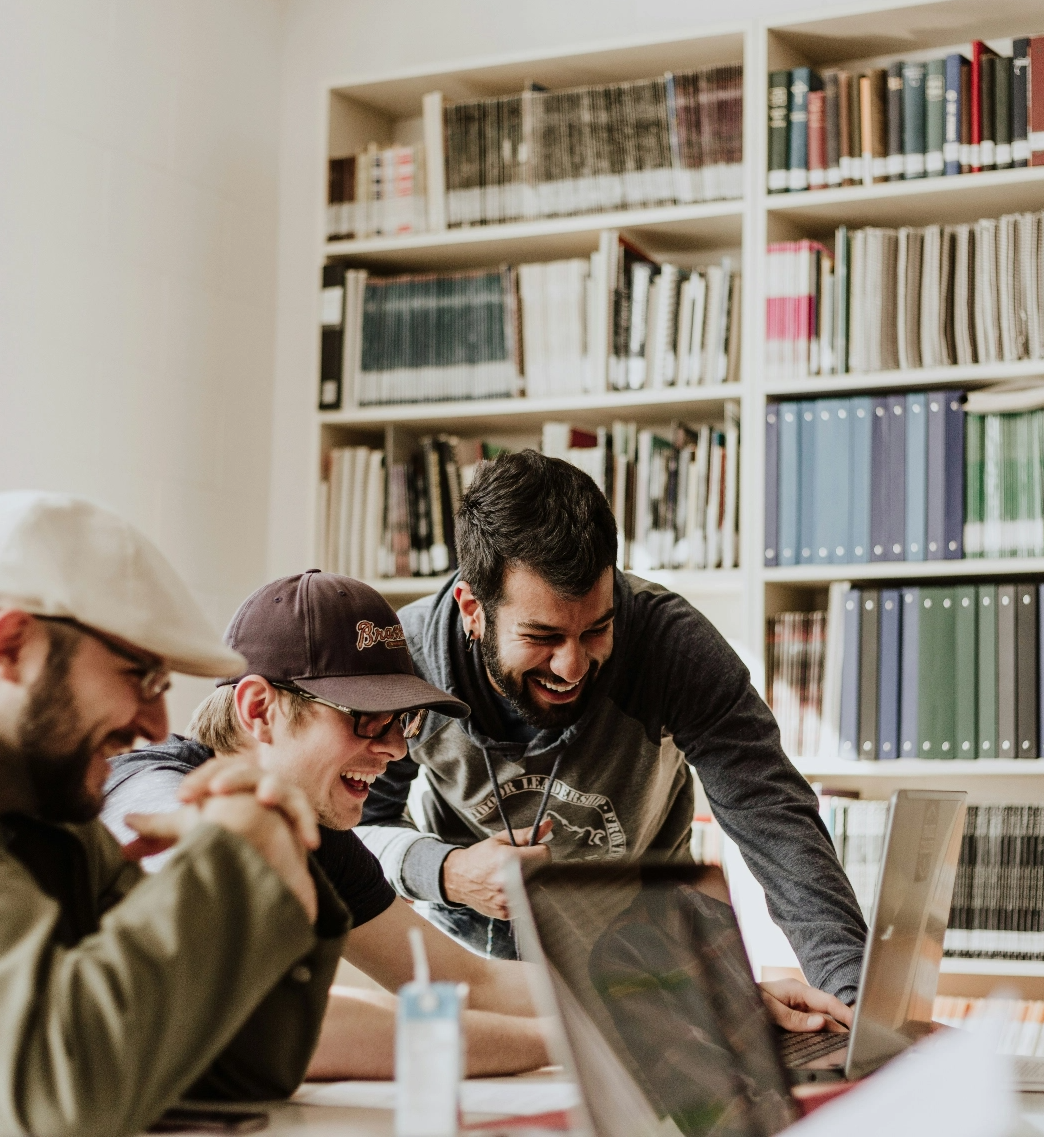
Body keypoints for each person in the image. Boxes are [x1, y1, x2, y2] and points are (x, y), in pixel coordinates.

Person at [358, 449, 869, 1021]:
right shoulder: (405, 661)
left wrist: (855, 1004)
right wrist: (447, 872)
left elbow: (774, 817)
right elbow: (359, 829)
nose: (572, 666)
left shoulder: (672, 645)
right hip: (476, 972)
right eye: (542, 637)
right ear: (473, 608)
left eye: (596, 629)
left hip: (647, 959)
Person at [102, 570, 551, 1079]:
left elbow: (466, 982)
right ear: (258, 710)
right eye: (366, 717)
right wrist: (566, 1044)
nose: (397, 749)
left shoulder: (315, 832)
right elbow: (272, 1023)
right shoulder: (153, 795)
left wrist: (628, 1004)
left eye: (402, 721)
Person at [0, 490, 347, 1137]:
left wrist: (272, 855)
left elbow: (234, 1069)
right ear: (12, 647)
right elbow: (57, 1103)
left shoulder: (58, 825)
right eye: (139, 675)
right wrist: (235, 857)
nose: (157, 724)